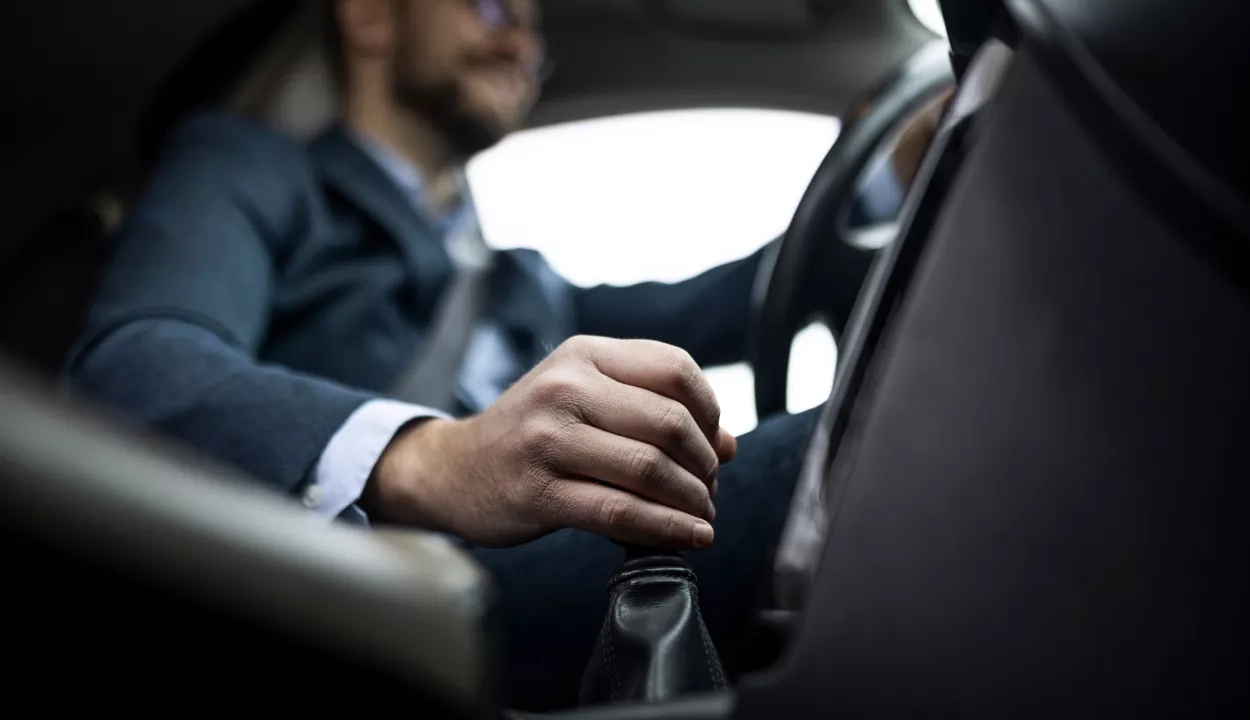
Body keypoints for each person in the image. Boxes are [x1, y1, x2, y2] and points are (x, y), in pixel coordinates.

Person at [67, 0, 823, 710]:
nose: (521, 44)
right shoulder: (250, 166)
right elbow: (133, 360)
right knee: (849, 449)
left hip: (546, 571)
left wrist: (887, 183)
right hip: (368, 590)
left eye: (534, 30)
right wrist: (433, 459)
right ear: (367, 13)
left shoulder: (521, 276)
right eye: (490, 6)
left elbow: (713, 304)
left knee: (861, 430)